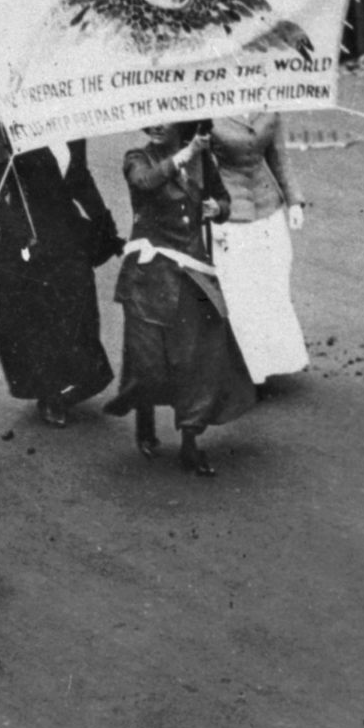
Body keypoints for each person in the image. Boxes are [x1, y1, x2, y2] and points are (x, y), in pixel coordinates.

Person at [109, 120, 255, 476]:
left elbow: (224, 200)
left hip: (191, 273)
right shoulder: (137, 158)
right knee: (149, 358)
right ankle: (145, 423)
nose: (157, 125)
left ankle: (190, 442)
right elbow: (145, 181)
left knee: (197, 359)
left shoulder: (203, 162)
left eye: (166, 118)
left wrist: (216, 209)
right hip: (151, 275)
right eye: (152, 118)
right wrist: (185, 154)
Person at [0, 102, 122, 428]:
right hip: (29, 240)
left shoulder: (73, 122)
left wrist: (104, 224)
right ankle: (49, 394)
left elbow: (80, 178)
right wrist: (22, 232)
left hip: (67, 232)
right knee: (37, 320)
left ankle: (73, 380)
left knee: (78, 307)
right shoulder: (12, 128)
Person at [209, 109, 310, 390]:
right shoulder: (209, 111)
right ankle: (245, 370)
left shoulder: (270, 109)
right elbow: (201, 169)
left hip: (268, 207)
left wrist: (294, 202)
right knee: (240, 293)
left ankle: (271, 361)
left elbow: (278, 158)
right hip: (231, 211)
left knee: (272, 285)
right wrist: (212, 216)